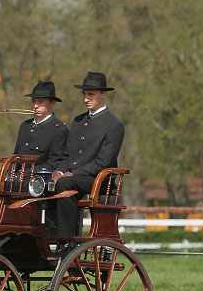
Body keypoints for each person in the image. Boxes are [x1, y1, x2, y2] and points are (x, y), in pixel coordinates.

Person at [51, 71, 125, 240]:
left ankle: (66, 240)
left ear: (104, 94)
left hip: (98, 179)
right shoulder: (78, 121)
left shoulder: (114, 124)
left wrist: (72, 174)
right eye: (84, 94)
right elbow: (67, 156)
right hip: (73, 177)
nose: (86, 99)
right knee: (43, 182)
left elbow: (103, 162)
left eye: (91, 94)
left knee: (65, 183)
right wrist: (58, 171)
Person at [13, 81, 67, 169]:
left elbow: (53, 163)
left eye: (40, 101)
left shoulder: (59, 129)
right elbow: (15, 156)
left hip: (36, 179)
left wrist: (25, 175)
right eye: (33, 101)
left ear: (52, 103)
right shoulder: (25, 125)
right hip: (15, 177)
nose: (35, 105)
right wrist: (6, 173)